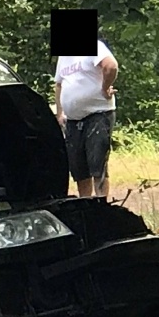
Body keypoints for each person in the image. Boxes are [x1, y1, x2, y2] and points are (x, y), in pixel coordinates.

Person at [54, 37, 119, 199]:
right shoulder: (64, 57)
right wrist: (60, 113)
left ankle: (101, 206)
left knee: (97, 164)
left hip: (98, 114)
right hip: (73, 120)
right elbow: (59, 84)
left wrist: (105, 89)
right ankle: (85, 206)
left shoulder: (95, 47)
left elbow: (111, 66)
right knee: (78, 169)